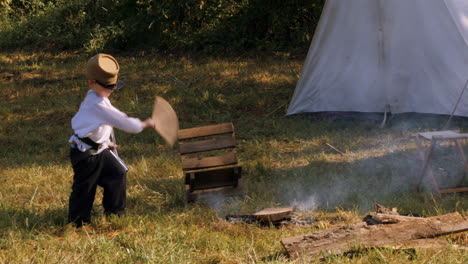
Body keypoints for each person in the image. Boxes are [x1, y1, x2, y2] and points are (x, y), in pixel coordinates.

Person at [68, 53, 154, 227]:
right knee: (85, 188)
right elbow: (122, 121)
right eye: (107, 86)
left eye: (113, 86)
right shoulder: (96, 103)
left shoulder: (100, 98)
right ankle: (78, 223)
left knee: (117, 173)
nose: (110, 90)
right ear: (91, 83)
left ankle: (115, 214)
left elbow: (98, 127)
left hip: (99, 149)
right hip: (86, 153)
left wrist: (106, 143)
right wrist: (144, 123)